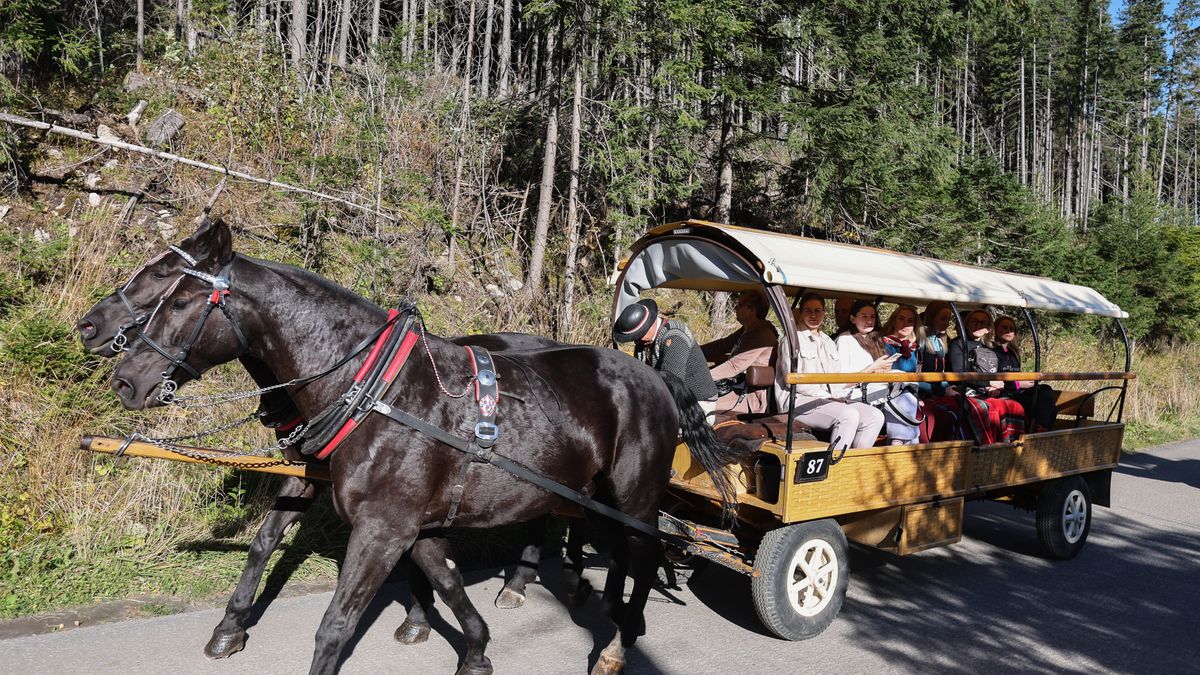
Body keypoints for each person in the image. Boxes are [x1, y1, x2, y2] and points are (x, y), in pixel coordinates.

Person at [771, 293, 885, 450]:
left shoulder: (828, 342)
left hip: (829, 399)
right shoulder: (791, 341)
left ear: (824, 313)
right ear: (801, 312)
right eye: (808, 310)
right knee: (848, 415)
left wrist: (838, 395)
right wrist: (829, 397)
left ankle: (854, 464)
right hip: (798, 401)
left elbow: (837, 379)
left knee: (875, 416)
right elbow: (795, 383)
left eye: (818, 310)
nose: (813, 315)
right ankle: (834, 466)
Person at [613, 299, 719, 417]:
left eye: (638, 335)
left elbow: (672, 382)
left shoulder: (675, 337)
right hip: (670, 398)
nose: (635, 340)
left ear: (648, 326)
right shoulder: (643, 343)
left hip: (696, 402)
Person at [947, 309, 1025, 444]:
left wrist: (992, 386)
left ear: (988, 329)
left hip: (983, 390)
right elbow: (959, 373)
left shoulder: (987, 347)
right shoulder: (957, 344)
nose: (978, 325)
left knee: (1015, 406)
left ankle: (1012, 444)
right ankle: (988, 446)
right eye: (974, 321)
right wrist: (989, 383)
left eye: (982, 323)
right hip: (964, 390)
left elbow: (992, 372)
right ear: (967, 324)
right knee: (990, 410)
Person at [702, 289, 778, 415]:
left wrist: (699, 378)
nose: (736, 308)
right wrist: (692, 350)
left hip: (750, 397)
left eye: (739, 305)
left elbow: (733, 367)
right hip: (736, 386)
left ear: (752, 310)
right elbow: (722, 345)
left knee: (696, 404)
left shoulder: (761, 334)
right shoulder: (748, 329)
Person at [992, 315, 1057, 432]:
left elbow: (1017, 373)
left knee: (1046, 391)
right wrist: (1018, 384)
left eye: (1011, 329)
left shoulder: (1013, 353)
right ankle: (1038, 430)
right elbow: (996, 380)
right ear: (996, 330)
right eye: (1004, 328)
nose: (1008, 331)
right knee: (1041, 405)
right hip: (1007, 392)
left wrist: (1028, 380)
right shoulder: (992, 352)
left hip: (1019, 390)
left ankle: (1040, 428)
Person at [834, 300, 899, 405]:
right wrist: (873, 368)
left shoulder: (875, 339)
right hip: (851, 396)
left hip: (873, 391)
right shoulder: (844, 340)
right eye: (864, 316)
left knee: (903, 380)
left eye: (872, 317)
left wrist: (882, 369)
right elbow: (842, 382)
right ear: (853, 319)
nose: (869, 320)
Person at [878, 305, 922, 444]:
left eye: (910, 321)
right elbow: (891, 374)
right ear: (893, 321)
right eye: (901, 319)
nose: (906, 324)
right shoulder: (885, 344)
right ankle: (896, 444)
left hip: (909, 391)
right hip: (888, 392)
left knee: (910, 401)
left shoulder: (913, 347)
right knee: (907, 401)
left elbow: (915, 376)